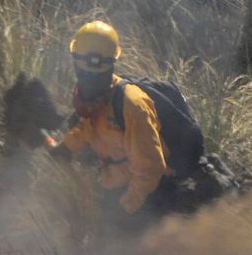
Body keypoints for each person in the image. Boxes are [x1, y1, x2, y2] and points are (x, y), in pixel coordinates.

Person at [51, 21, 190, 224]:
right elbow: (87, 126)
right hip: (116, 185)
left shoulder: (132, 104)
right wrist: (66, 148)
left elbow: (150, 169)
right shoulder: (92, 96)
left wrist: (126, 207)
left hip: (150, 195)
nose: (87, 79)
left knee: (124, 243)